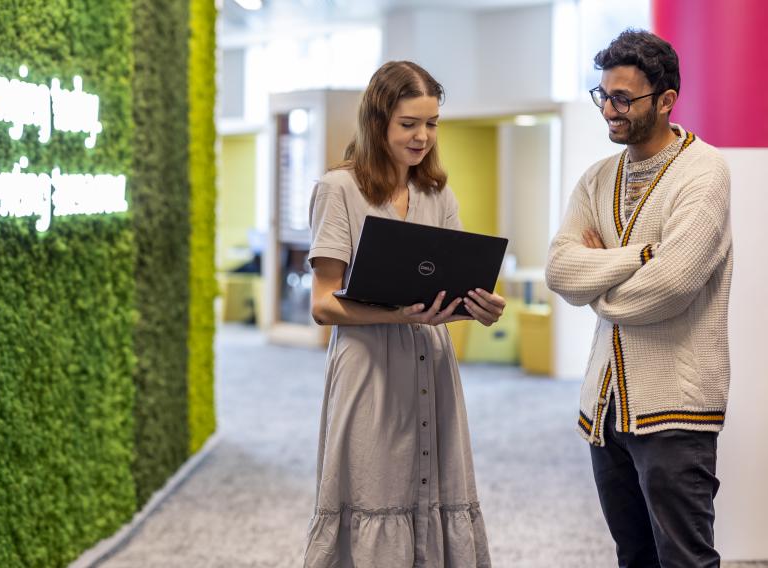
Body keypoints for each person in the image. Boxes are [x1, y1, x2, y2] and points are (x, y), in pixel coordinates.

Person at [303, 60, 505, 568]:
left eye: (431, 124)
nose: (422, 137)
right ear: (378, 123)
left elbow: (450, 289)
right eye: (409, 124)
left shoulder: (438, 193)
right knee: (374, 491)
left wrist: (480, 308)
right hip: (367, 368)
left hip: (430, 364)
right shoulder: (338, 190)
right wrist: (398, 315)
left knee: (437, 490)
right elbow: (323, 303)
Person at [546, 30, 732, 568]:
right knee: (634, 556)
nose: (609, 109)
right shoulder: (596, 178)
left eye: (623, 98)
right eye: (603, 95)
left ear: (667, 100)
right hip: (604, 410)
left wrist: (599, 287)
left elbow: (673, 286)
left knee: (685, 560)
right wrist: (641, 256)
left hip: (676, 409)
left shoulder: (705, 173)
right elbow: (561, 269)